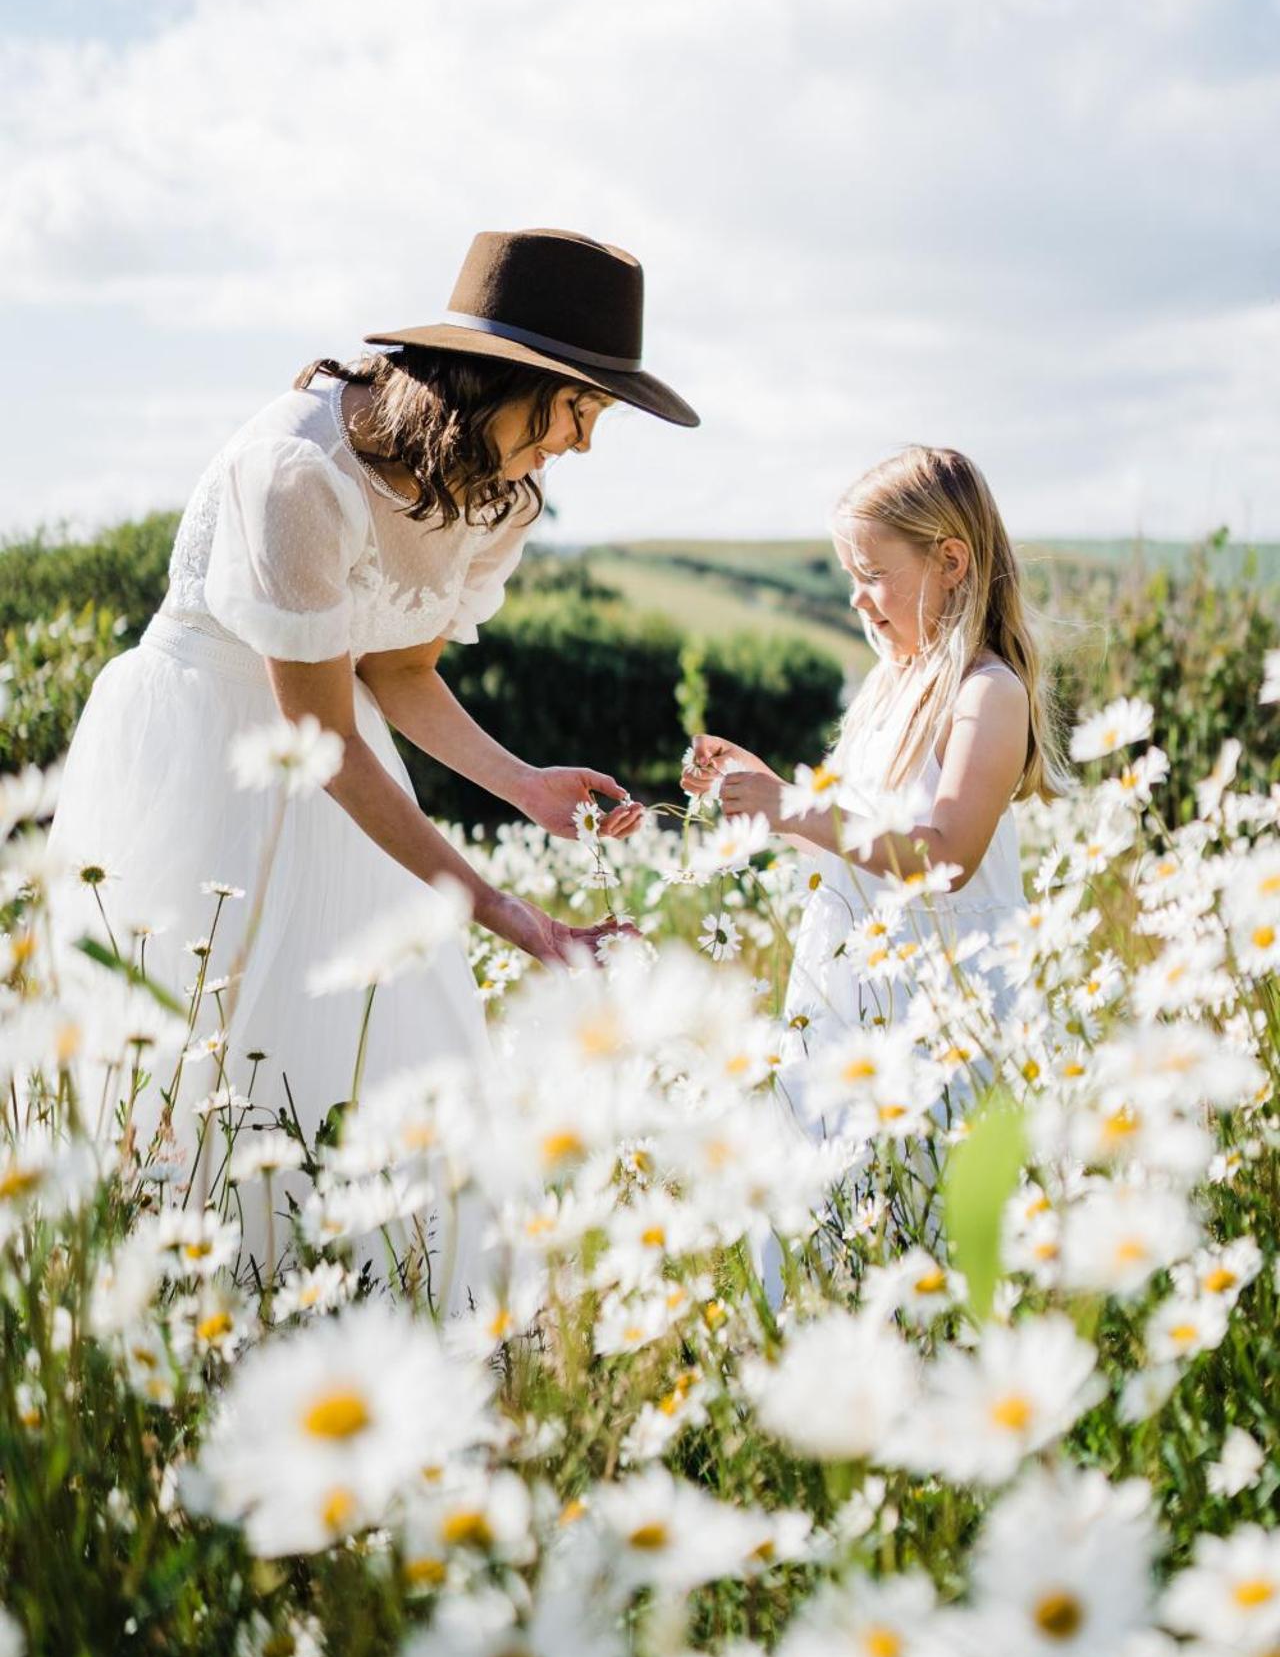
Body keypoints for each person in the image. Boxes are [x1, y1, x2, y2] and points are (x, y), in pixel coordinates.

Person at [45, 226, 699, 1317]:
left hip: (340, 753)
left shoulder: (496, 495)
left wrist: (521, 781)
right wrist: (505, 914)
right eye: (579, 410)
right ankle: (208, 1330)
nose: (583, 443)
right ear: (506, 383)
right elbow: (321, 745)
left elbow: (392, 669)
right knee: (209, 1052)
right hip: (214, 751)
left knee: (399, 1044)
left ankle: (394, 1329)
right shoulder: (296, 472)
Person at [680, 445, 1068, 1296]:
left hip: (939, 992)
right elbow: (852, 838)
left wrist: (788, 804)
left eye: (872, 574)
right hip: (850, 983)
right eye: (848, 575)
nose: (856, 597)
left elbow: (946, 857)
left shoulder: (986, 692)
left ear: (952, 562)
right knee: (831, 1197)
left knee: (928, 1203)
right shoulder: (889, 687)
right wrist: (764, 792)